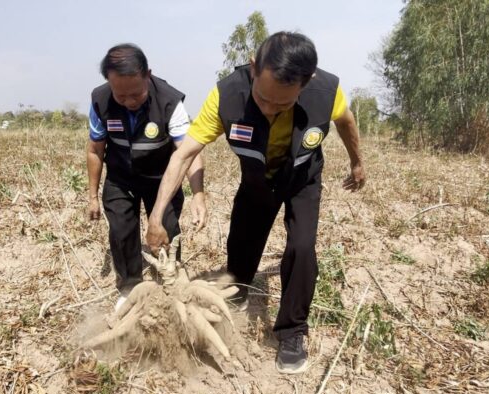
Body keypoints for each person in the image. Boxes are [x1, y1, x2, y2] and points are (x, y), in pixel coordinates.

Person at [145, 32, 365, 374]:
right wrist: (156, 216)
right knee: (241, 243)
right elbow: (184, 154)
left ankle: (292, 331)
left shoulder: (326, 92)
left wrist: (357, 162)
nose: (268, 109)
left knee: (302, 248)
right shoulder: (227, 95)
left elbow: (346, 121)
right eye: (262, 98)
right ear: (253, 68)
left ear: (306, 83)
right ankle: (238, 291)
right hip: (257, 179)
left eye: (282, 104)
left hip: (302, 177)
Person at [86, 44, 206, 309]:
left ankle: (170, 286)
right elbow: (95, 150)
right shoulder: (100, 100)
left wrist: (198, 194)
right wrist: (92, 196)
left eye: (136, 94)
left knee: (167, 229)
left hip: (161, 179)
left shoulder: (169, 101)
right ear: (109, 83)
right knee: (121, 230)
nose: (129, 102)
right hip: (121, 178)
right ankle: (130, 289)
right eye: (121, 96)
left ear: (148, 75)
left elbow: (189, 152)